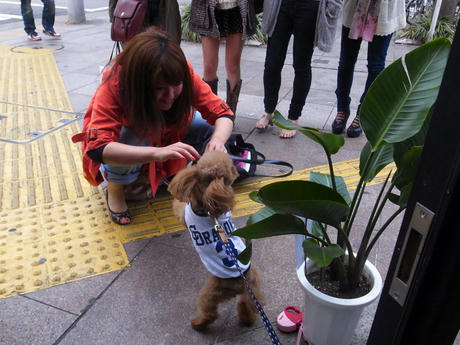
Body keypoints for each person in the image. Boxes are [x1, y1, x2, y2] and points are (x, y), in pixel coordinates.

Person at [72, 28, 234, 225]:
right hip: (135, 138)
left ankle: (187, 182)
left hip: (166, 134)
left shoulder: (180, 72)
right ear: (138, 84)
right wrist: (157, 153)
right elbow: (99, 149)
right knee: (131, 137)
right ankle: (115, 190)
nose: (171, 95)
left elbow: (222, 113)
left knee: (207, 129)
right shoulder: (116, 82)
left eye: (176, 85)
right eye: (159, 88)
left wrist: (217, 141)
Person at [255, 0, 342, 138]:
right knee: (272, 64)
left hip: (309, 6)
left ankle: (293, 117)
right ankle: (269, 111)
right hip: (280, 5)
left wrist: (332, 7)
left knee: (301, 65)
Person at [331, 0, 406, 137]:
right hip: (356, 8)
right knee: (345, 62)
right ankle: (342, 108)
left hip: (384, 9)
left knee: (376, 65)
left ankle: (363, 113)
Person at [188, 0, 258, 116]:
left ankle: (229, 115)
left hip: (237, 9)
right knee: (209, 66)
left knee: (233, 66)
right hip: (209, 9)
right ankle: (210, 113)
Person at [109, 0, 181, 44]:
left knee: (166, 54)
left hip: (163, 15)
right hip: (134, 16)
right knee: (136, 56)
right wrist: (115, 19)